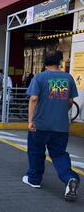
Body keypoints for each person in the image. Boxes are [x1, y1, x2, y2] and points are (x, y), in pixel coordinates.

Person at [24, 50, 80, 202]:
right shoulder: (68, 77)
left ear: (44, 63)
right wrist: (61, 113)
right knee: (59, 154)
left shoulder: (40, 77)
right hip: (61, 126)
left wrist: (30, 120)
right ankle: (69, 179)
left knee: (36, 152)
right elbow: (69, 101)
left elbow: (34, 98)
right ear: (60, 62)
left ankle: (34, 180)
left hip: (40, 124)